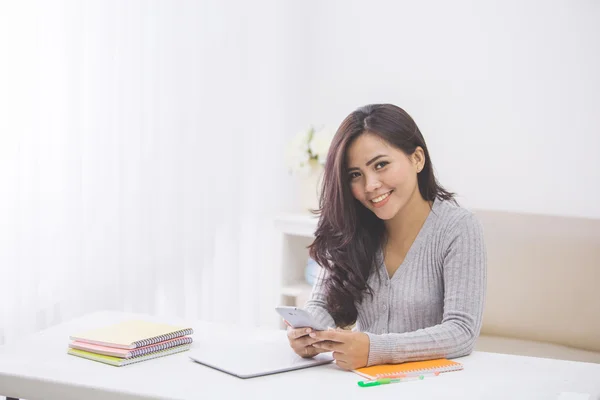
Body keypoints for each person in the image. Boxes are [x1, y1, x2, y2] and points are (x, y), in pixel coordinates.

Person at [286, 104, 487, 370]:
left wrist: (375, 349)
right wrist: (308, 332)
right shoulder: (351, 227)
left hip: (433, 385)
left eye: (381, 165)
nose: (370, 186)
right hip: (362, 381)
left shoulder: (458, 228)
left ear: (417, 159)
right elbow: (323, 303)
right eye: (355, 175)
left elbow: (461, 332)